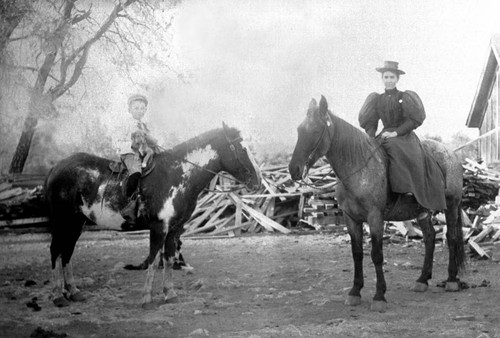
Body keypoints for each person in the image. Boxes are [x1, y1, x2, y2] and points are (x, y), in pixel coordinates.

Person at [358, 61, 446, 221]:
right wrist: (371, 137)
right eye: (386, 77)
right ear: (382, 78)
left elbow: (414, 120)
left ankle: (408, 191)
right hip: (384, 134)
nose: (389, 80)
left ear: (397, 79)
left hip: (403, 135)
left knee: (402, 153)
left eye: (392, 77)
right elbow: (370, 121)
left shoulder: (405, 97)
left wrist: (396, 132)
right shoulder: (376, 99)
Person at [119, 94, 159, 223]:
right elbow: (118, 141)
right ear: (129, 110)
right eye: (136, 108)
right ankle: (129, 204)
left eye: (142, 108)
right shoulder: (126, 124)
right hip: (130, 152)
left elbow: (151, 140)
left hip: (143, 152)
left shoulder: (144, 125)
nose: (140, 111)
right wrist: (133, 144)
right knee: (136, 172)